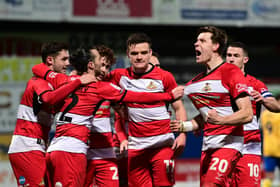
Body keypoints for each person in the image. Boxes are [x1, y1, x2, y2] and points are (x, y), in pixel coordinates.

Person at [31, 48, 184, 187]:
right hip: (72, 151)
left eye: (107, 65)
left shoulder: (65, 80)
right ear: (91, 65)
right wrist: (168, 95)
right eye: (101, 62)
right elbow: (137, 96)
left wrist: (76, 80)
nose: (104, 67)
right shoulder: (100, 88)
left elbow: (37, 68)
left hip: (56, 149)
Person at [170, 26, 253, 187]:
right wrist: (184, 126)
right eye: (196, 41)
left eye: (202, 41)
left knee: (210, 185)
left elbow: (247, 113)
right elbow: (205, 117)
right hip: (207, 146)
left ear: (215, 46)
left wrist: (221, 120)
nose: (196, 44)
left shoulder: (231, 72)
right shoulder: (194, 84)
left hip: (229, 144)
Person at [8, 42, 95, 187]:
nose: (68, 63)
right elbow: (49, 98)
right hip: (26, 147)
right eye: (64, 59)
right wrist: (77, 82)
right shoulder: (38, 81)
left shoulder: (50, 82)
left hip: (36, 147)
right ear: (50, 60)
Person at [107, 32, 187, 186]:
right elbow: (98, 81)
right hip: (136, 147)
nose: (139, 57)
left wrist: (182, 134)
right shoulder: (119, 76)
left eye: (144, 53)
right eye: (134, 53)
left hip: (162, 144)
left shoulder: (165, 77)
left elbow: (179, 108)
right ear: (128, 55)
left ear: (150, 53)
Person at [225, 41, 280, 187]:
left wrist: (263, 100)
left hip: (249, 145)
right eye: (228, 55)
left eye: (236, 56)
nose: (231, 59)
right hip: (224, 143)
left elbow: (276, 106)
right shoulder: (218, 83)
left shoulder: (255, 84)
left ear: (245, 60)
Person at [84, 45, 119, 187]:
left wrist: (121, 138)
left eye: (108, 67)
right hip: (81, 152)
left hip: (106, 154)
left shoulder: (110, 89)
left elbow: (123, 114)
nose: (104, 71)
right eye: (102, 65)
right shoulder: (73, 83)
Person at [261, 94, 280, 187]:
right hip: (278, 147)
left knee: (269, 176)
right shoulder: (279, 115)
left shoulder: (264, 114)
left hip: (268, 148)